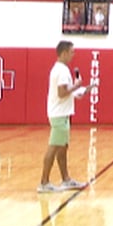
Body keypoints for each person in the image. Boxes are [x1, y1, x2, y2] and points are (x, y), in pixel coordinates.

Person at [38, 41, 91, 193]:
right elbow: (62, 93)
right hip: (59, 115)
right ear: (64, 53)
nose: (73, 54)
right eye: (72, 52)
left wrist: (78, 91)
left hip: (63, 114)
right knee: (54, 147)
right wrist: (77, 85)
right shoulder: (61, 71)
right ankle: (44, 182)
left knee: (62, 148)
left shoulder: (61, 69)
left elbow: (65, 92)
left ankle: (66, 179)